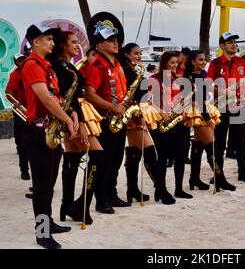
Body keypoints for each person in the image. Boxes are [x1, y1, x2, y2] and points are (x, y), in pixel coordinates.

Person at [21, 23, 77, 249]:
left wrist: (71, 112)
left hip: (50, 128)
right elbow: (44, 99)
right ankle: (42, 233)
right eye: (48, 40)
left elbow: (56, 97)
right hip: (37, 131)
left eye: (53, 40)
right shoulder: (32, 65)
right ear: (35, 42)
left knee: (50, 182)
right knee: (42, 184)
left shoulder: (47, 66)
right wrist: (66, 119)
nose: (53, 43)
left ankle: (49, 221)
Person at [46, 30, 104, 225]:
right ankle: (81, 205)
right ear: (62, 45)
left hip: (75, 113)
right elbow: (60, 94)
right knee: (98, 154)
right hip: (72, 115)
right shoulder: (59, 66)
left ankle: (67, 205)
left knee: (72, 156)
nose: (77, 45)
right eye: (73, 42)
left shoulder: (68, 65)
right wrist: (78, 122)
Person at [84, 12, 130, 214]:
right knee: (105, 161)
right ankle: (101, 200)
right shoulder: (96, 66)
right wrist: (113, 107)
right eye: (111, 40)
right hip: (104, 119)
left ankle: (111, 194)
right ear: (100, 44)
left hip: (119, 119)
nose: (116, 42)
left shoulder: (117, 63)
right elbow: (89, 94)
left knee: (117, 160)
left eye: (116, 39)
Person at [118, 43, 175, 205]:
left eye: (140, 53)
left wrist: (141, 114)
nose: (139, 56)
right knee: (149, 150)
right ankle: (161, 189)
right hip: (129, 114)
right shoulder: (125, 71)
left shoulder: (135, 70)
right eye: (136, 53)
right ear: (127, 55)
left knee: (134, 150)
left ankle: (133, 189)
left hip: (137, 113)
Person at [206, 32, 245, 187]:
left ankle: (243, 172)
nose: (234, 44)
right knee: (219, 143)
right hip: (221, 108)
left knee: (241, 142)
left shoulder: (242, 62)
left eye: (234, 42)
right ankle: (218, 174)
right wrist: (222, 92)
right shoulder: (215, 63)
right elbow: (207, 85)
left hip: (239, 106)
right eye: (229, 42)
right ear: (222, 45)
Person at [149, 51, 191, 200]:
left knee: (180, 156)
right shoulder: (154, 79)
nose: (175, 66)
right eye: (172, 63)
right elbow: (146, 101)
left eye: (176, 63)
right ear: (164, 63)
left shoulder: (178, 80)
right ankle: (161, 189)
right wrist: (160, 111)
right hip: (161, 122)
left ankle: (179, 189)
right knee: (162, 158)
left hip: (178, 121)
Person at [182, 50, 221, 190]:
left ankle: (194, 178)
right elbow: (198, 99)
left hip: (203, 108)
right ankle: (219, 177)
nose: (203, 62)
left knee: (198, 146)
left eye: (204, 59)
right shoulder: (191, 77)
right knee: (212, 147)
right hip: (198, 111)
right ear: (193, 62)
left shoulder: (202, 74)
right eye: (200, 60)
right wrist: (208, 118)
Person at [6, 52, 30, 180]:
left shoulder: (31, 72)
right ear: (15, 63)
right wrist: (18, 105)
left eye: (23, 60)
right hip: (21, 113)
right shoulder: (15, 74)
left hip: (33, 111)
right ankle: (24, 170)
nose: (22, 62)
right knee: (22, 144)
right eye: (19, 61)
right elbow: (8, 93)